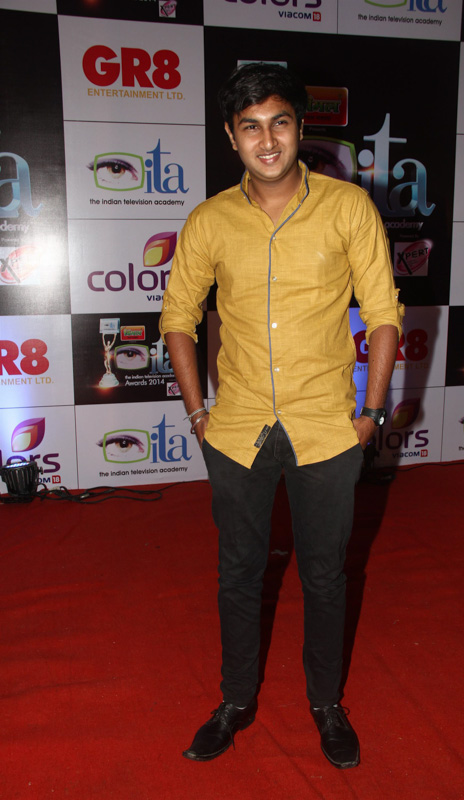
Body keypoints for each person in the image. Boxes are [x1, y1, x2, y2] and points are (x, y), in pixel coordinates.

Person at [159, 62, 404, 769]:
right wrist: (199, 413)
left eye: (279, 123)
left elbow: (383, 314)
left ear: (299, 129)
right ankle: (235, 700)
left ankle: (325, 704)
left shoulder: (348, 207)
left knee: (325, 576)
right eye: (250, 127)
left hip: (327, 426)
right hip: (235, 428)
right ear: (231, 137)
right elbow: (178, 318)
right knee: (238, 573)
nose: (266, 141)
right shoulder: (209, 219)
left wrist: (371, 413)